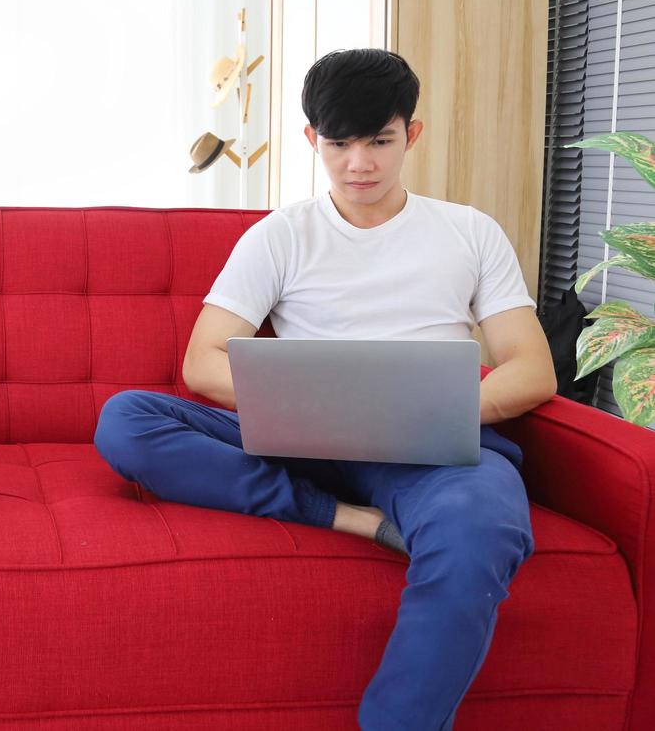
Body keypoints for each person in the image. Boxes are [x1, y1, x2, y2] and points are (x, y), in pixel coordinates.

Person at [93, 49, 556, 730]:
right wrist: (307, 402)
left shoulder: (469, 232)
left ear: (412, 135)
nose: (359, 163)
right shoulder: (280, 235)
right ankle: (346, 517)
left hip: (431, 445)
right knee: (126, 421)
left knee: (479, 529)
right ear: (313, 139)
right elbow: (203, 362)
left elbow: (530, 369)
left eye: (380, 141)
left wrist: (418, 409)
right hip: (304, 441)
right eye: (339, 144)